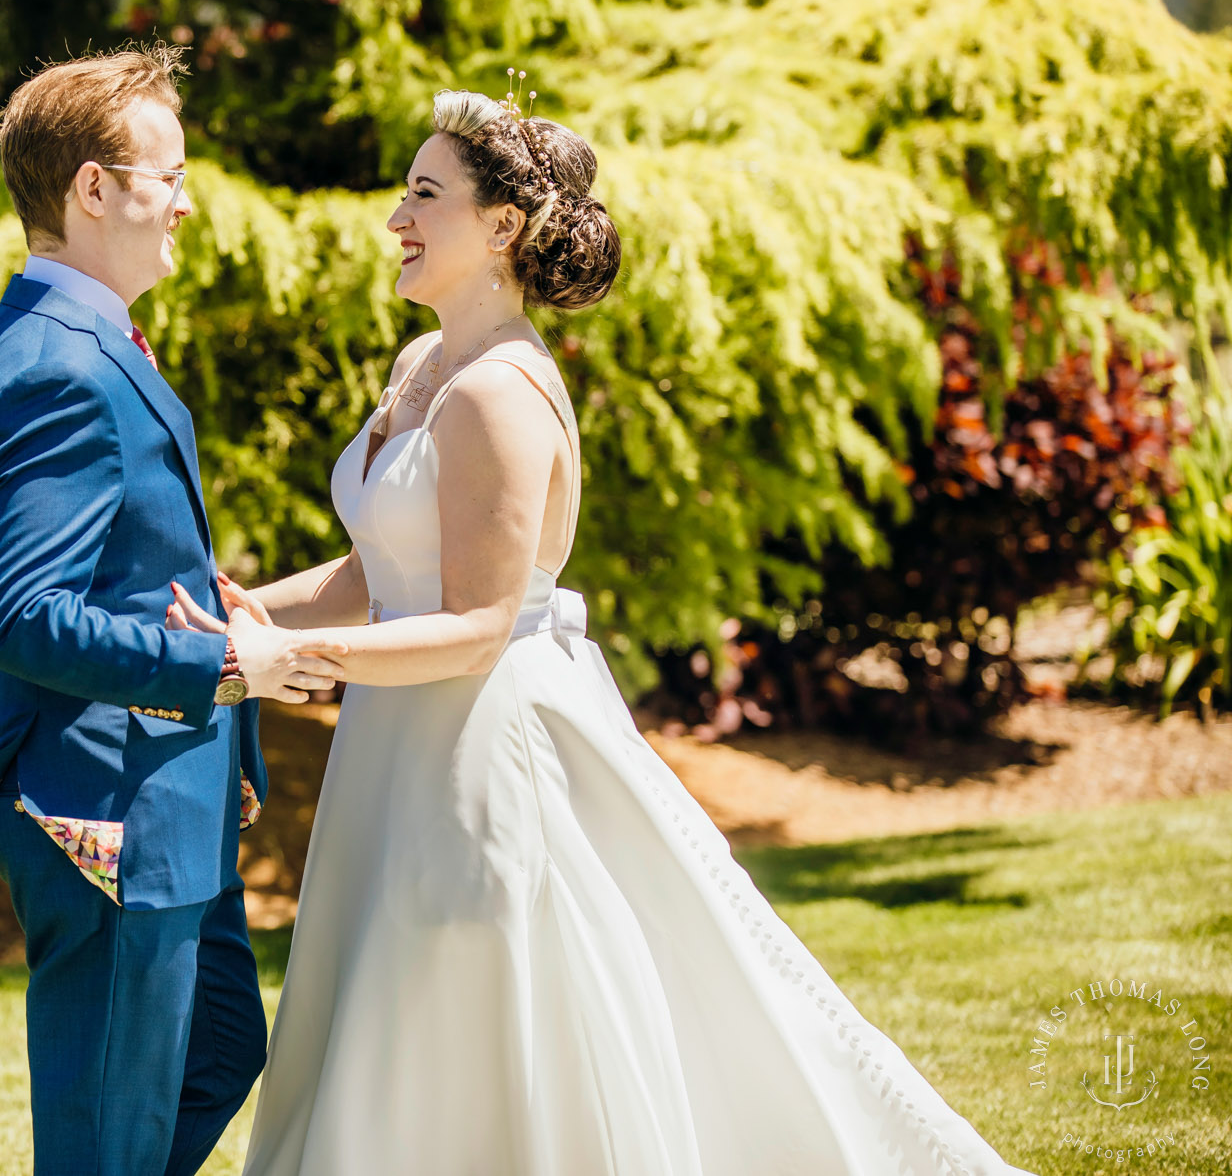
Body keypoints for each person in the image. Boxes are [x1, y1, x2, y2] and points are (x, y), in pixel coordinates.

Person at [168, 83, 1040, 1176]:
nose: (394, 218)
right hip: (395, 737)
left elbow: (478, 624)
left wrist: (284, 665)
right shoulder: (419, 371)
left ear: (501, 229)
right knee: (387, 992)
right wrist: (243, 612)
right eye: (402, 192)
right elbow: (375, 571)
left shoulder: (497, 393)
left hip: (478, 734)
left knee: (478, 999)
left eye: (423, 195)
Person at [0, 43, 348, 1176]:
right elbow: (15, 615)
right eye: (169, 176)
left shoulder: (65, 340)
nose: (186, 204)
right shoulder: (60, 364)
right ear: (92, 188)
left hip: (162, 806)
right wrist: (228, 665)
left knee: (218, 1051)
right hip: (102, 808)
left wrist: (210, 614)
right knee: (107, 1136)